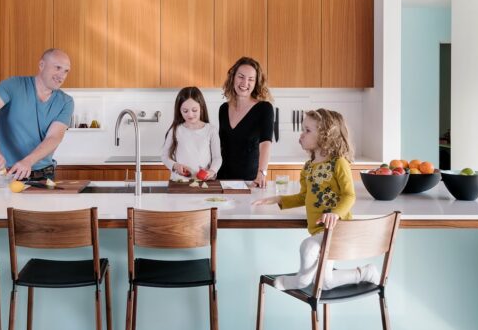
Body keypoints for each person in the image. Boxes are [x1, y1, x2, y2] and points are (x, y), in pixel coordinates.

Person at [252, 109, 378, 291]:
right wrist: (278, 199)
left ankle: (300, 282)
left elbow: (349, 195)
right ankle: (365, 273)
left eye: (307, 130)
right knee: (325, 282)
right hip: (319, 230)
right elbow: (305, 196)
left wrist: (335, 213)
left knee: (308, 247)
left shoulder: (338, 163)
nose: (301, 135)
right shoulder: (308, 167)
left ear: (326, 135)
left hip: (336, 228)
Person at [0, 48, 73, 181]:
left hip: (43, 176)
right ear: (41, 65)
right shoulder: (14, 85)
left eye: (66, 71)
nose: (61, 76)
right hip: (5, 175)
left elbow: (54, 138)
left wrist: (28, 161)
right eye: (57, 68)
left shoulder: (66, 101)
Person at [215, 57, 274, 187]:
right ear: (233, 78)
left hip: (250, 181)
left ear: (256, 83)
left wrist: (262, 173)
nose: (245, 83)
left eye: (251, 79)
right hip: (223, 179)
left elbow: (266, 143)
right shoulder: (223, 109)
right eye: (241, 77)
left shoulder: (264, 108)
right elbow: (221, 146)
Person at [161, 86, 222, 181]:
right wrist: (176, 165)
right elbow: (165, 156)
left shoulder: (211, 130)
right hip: (180, 181)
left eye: (194, 110)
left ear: (201, 108)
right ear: (179, 110)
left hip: (204, 182)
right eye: (185, 111)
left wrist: (212, 171)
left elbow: (217, 158)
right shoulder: (175, 130)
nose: (190, 115)